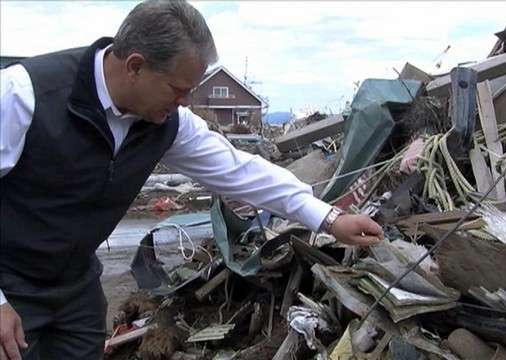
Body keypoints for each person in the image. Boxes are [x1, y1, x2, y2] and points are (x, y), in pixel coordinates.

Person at [0, 1, 383, 359]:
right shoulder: (24, 94)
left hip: (75, 285)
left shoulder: (164, 123)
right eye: (177, 89)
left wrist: (329, 218)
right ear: (135, 66)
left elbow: (240, 170)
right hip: (11, 279)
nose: (184, 101)